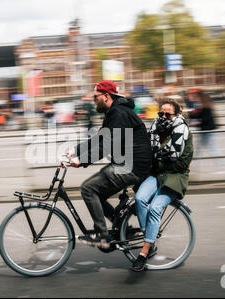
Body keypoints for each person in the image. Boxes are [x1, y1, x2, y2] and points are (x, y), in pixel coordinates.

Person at [63, 80, 151, 248]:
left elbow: (108, 145)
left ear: (106, 96)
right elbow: (100, 138)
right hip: (127, 163)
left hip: (132, 166)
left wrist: (81, 160)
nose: (93, 100)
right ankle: (121, 225)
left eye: (95, 97)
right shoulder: (115, 111)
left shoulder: (118, 113)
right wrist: (75, 150)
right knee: (97, 191)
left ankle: (102, 236)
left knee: (88, 189)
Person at [132, 98, 194, 271]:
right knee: (139, 198)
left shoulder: (183, 130)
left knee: (155, 209)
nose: (164, 116)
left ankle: (144, 252)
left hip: (175, 177)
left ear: (177, 114)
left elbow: (180, 161)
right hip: (157, 174)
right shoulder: (155, 128)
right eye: (161, 113)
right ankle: (148, 237)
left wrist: (157, 158)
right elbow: (149, 151)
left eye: (168, 114)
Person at [190, 90, 225, 174]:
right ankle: (195, 167)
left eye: (196, 97)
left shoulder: (206, 107)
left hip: (207, 131)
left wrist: (197, 122)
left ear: (201, 98)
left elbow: (206, 119)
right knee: (199, 149)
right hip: (205, 130)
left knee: (211, 149)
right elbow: (198, 115)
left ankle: (223, 167)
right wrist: (191, 115)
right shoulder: (204, 106)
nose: (195, 98)